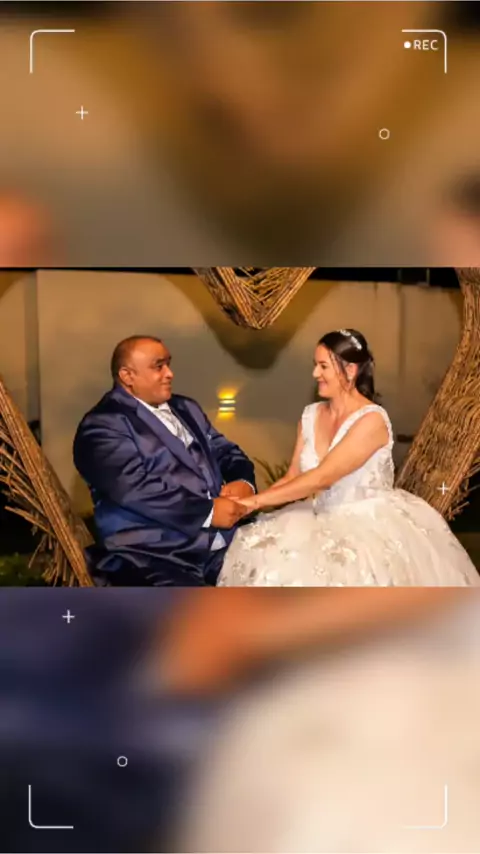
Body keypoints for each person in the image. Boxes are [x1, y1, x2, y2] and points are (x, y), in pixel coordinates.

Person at [218, 328, 480, 587]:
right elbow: (293, 476)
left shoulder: (372, 420)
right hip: (316, 516)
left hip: (368, 527)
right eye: (315, 365)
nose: (315, 374)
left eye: (323, 366)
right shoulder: (310, 416)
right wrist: (248, 504)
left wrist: (253, 503)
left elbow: (321, 478)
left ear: (351, 370)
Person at [73, 335, 255, 586]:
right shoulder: (101, 425)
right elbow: (135, 489)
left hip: (222, 545)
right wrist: (207, 512)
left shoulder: (186, 407)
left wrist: (243, 481)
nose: (170, 373)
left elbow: (226, 451)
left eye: (168, 364)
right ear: (127, 376)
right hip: (152, 558)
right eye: (158, 366)